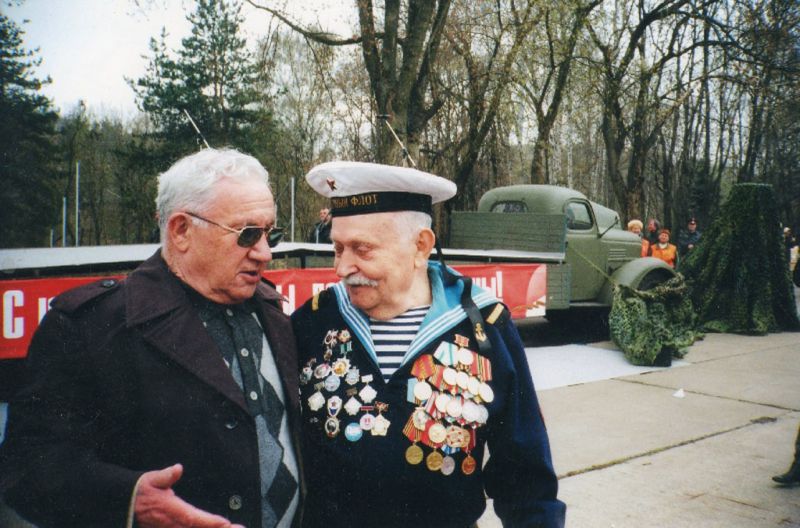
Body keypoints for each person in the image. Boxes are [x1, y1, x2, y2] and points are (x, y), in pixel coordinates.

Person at [0, 148, 302, 528]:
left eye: (271, 234)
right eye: (248, 234)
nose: (265, 253)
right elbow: (27, 466)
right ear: (181, 231)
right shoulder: (92, 325)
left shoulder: (275, 313)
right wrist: (129, 500)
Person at [292, 161, 565, 528]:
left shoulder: (484, 326)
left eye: (362, 249)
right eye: (338, 248)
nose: (342, 268)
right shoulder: (313, 322)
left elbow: (526, 480)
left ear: (421, 246)